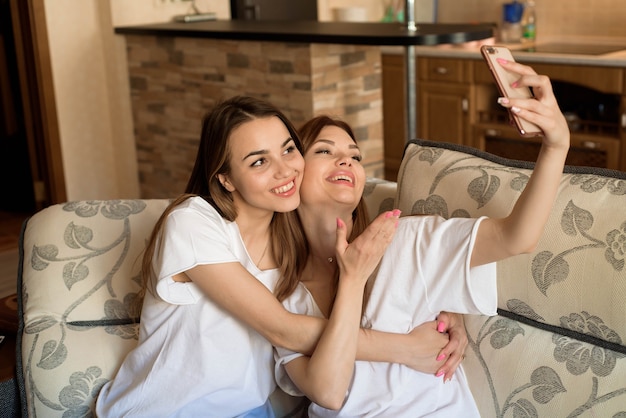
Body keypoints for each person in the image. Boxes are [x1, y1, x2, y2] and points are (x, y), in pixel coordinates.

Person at [95, 96, 465, 417]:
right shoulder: (194, 223)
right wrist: (406, 349)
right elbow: (282, 328)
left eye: (289, 150)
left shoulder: (294, 250)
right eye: (259, 162)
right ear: (226, 179)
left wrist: (448, 313)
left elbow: (385, 274)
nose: (285, 170)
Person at [274, 58, 571, 416]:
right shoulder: (284, 293)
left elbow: (516, 237)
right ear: (292, 174)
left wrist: (556, 146)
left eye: (354, 156)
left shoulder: (408, 240)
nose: (346, 161)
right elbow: (328, 393)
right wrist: (355, 280)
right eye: (325, 151)